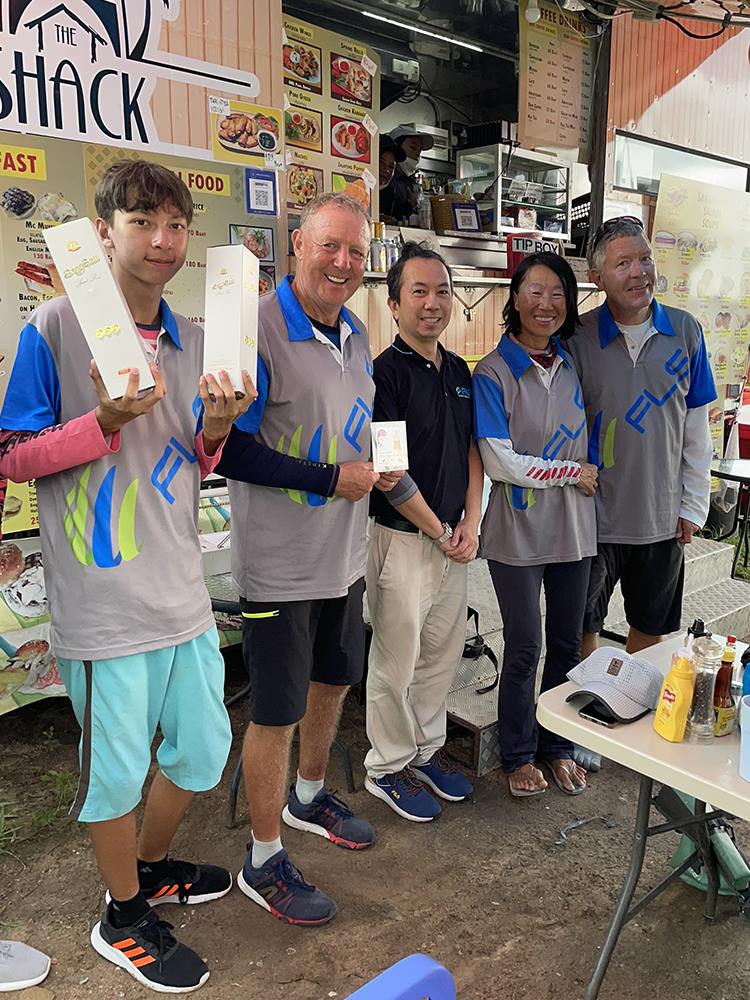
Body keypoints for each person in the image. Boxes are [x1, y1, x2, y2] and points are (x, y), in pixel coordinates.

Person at [0, 161, 254, 993]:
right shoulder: (54, 328)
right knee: (113, 771)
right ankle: (120, 917)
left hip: (180, 592)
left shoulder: (194, 338)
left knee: (203, 748)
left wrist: (215, 429)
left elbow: (192, 457)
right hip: (103, 601)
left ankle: (147, 871)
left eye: (177, 225)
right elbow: (14, 457)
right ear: (104, 232)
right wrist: (101, 421)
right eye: (143, 222)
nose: (163, 240)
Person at [217, 193, 401, 927]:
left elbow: (365, 421)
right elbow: (230, 447)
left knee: (333, 680)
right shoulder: (255, 330)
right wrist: (332, 479)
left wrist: (385, 466)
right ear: (297, 244)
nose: (343, 264)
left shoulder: (355, 330)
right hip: (280, 565)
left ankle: (310, 793)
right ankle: (263, 860)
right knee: (275, 711)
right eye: (330, 246)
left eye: (356, 254)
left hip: (343, 557)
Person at [473, 253, 598, 797]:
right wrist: (574, 471)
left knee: (567, 644)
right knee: (526, 644)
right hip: (515, 531)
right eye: (534, 292)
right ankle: (517, 752)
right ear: (514, 299)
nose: (545, 305)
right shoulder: (493, 371)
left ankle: (557, 745)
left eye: (557, 294)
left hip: (575, 529)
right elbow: (501, 460)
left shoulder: (572, 362)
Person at [364, 242, 481, 822]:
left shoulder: (459, 371)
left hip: (454, 540)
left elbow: (473, 452)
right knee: (396, 658)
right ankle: (386, 766)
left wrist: (471, 524)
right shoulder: (382, 374)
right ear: (393, 304)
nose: (432, 303)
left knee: (441, 653)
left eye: (442, 291)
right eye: (419, 292)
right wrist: (440, 529)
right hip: (404, 541)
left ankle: (427, 751)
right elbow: (389, 472)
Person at [569, 217, 716, 659]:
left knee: (651, 635)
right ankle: (581, 722)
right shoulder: (577, 336)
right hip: (591, 517)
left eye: (646, 258)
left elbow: (696, 428)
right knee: (581, 631)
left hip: (661, 517)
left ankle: (631, 716)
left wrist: (693, 504)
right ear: (597, 277)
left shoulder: (686, 332)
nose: (639, 272)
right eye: (623, 263)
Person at [379, 126, 435, 224]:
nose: (417, 155)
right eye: (413, 147)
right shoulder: (382, 181)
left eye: (419, 151)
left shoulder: (411, 184)